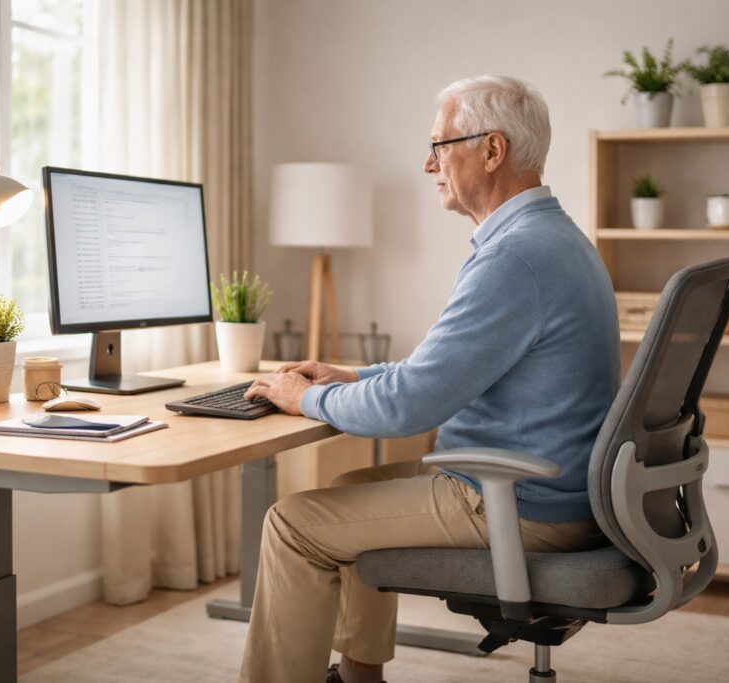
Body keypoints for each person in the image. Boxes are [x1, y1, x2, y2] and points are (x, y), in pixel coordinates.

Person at [239, 75, 620, 683]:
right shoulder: (551, 240)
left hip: (519, 503)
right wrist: (354, 374)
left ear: (492, 151)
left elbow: (407, 409)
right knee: (347, 489)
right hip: (549, 487)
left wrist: (303, 396)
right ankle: (360, 676)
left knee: (293, 524)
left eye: (441, 145)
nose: (428, 163)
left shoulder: (515, 258)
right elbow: (442, 371)